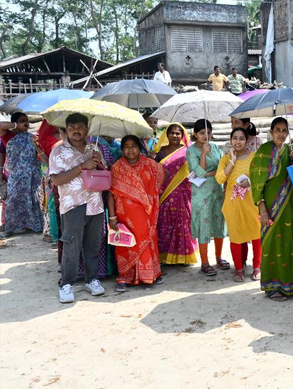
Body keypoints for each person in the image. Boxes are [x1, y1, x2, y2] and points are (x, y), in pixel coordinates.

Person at [49, 113, 106, 303]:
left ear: (86, 129)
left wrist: (99, 163)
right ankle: (66, 284)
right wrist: (82, 166)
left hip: (95, 204)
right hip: (73, 204)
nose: (76, 130)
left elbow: (105, 175)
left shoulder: (93, 148)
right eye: (72, 127)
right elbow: (56, 180)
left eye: (80, 126)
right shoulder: (58, 151)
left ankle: (92, 280)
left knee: (93, 244)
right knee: (71, 245)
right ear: (66, 129)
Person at [251, 117, 293, 301]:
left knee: (289, 242)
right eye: (277, 130)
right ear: (271, 132)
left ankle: (292, 283)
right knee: (270, 243)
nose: (281, 134)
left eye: (284, 130)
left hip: (288, 204)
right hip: (270, 205)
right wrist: (262, 209)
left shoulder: (292, 151)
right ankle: (272, 286)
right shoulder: (263, 152)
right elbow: (256, 183)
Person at [108, 135, 165, 292]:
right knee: (126, 245)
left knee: (147, 242)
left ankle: (150, 275)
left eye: (134, 146)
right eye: (126, 146)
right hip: (124, 217)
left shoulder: (150, 165)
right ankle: (125, 276)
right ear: (122, 149)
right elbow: (111, 195)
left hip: (146, 214)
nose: (130, 149)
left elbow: (161, 174)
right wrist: (112, 217)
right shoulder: (117, 168)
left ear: (139, 148)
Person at [216, 128, 262, 282]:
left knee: (256, 236)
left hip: (251, 203)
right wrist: (232, 161)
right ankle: (239, 269)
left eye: (241, 138)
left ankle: (256, 267)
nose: (237, 141)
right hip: (233, 204)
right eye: (234, 138)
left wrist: (250, 181)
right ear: (230, 140)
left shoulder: (254, 157)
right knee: (236, 237)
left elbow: (260, 178)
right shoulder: (225, 159)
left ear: (247, 140)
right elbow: (220, 179)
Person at [186, 120, 227, 276]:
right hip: (201, 192)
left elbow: (222, 169)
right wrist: (203, 153)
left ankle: (219, 257)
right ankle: (204, 262)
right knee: (204, 224)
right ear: (195, 134)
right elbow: (200, 172)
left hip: (217, 190)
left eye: (208, 132)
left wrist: (214, 173)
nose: (206, 136)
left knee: (219, 223)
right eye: (202, 133)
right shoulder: (191, 151)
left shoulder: (216, 148)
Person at [153, 123, 197, 265]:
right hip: (164, 193)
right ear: (167, 134)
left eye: (178, 133)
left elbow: (194, 170)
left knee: (183, 222)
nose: (175, 136)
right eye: (172, 133)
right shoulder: (160, 151)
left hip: (183, 193)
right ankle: (165, 256)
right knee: (164, 222)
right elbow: (155, 170)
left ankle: (183, 256)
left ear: (183, 135)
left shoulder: (188, 150)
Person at [2, 112, 43, 236]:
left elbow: (38, 154)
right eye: (22, 120)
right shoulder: (7, 135)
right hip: (16, 175)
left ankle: (34, 225)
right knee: (14, 199)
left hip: (33, 174)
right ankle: (13, 227)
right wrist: (16, 125)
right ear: (14, 122)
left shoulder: (31, 136)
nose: (26, 123)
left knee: (34, 198)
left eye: (26, 120)